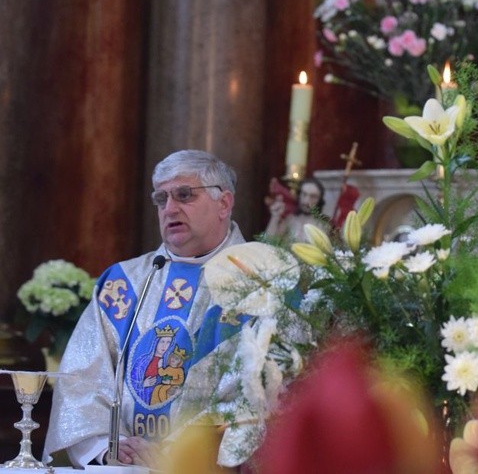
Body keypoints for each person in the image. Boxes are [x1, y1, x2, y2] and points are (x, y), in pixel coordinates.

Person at [44, 149, 247, 468]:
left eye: (184, 195)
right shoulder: (124, 283)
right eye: (161, 198)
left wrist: (179, 452)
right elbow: (80, 379)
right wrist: (109, 446)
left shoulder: (261, 282)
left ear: (224, 203)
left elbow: (268, 394)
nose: (170, 209)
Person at [265, 177, 329, 242]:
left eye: (313, 197)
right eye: (304, 194)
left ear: (320, 200)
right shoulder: (290, 219)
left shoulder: (323, 225)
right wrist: (275, 216)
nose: (306, 201)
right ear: (299, 195)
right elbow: (269, 242)